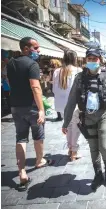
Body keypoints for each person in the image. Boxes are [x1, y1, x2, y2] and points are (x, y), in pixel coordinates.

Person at [62, 48, 106, 190]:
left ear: (100, 60)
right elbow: (71, 100)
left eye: (94, 59)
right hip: (87, 117)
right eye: (89, 59)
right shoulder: (79, 78)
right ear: (86, 60)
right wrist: (65, 122)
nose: (91, 61)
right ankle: (98, 173)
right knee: (93, 147)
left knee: (104, 145)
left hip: (104, 115)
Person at [7, 37, 54, 191]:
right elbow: (35, 87)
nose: (38, 50)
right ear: (26, 48)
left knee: (20, 138)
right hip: (31, 106)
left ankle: (22, 172)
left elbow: (9, 81)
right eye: (36, 47)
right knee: (38, 135)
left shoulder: (11, 63)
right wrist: (41, 109)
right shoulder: (32, 64)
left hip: (15, 106)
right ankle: (39, 161)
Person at [53, 50, 82, 161]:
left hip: (61, 104)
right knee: (76, 128)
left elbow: (54, 90)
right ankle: (74, 151)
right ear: (74, 58)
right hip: (74, 105)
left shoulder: (57, 71)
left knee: (68, 126)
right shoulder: (78, 70)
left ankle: (70, 148)